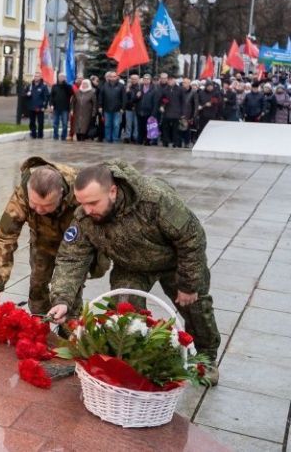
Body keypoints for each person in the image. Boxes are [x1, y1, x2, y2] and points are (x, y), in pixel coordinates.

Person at [47, 162, 221, 385]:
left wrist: (189, 284)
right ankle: (135, 360)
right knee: (124, 311)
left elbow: (191, 238)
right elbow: (71, 259)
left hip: (175, 261)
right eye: (82, 203)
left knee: (197, 310)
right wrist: (62, 299)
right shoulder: (84, 218)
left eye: (93, 203)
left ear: (112, 191)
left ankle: (206, 359)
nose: (87, 210)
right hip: (131, 266)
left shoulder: (154, 200)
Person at [0, 158, 108, 317]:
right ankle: (39, 322)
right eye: (34, 205)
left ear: (61, 194)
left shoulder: (80, 193)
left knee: (70, 294)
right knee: (37, 287)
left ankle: (69, 326)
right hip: (42, 242)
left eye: (47, 205)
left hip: (75, 247)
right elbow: (4, 236)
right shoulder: (21, 194)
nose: (40, 210)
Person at [159, 77, 189, 148]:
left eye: (172, 80)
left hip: (177, 112)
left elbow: (183, 102)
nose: (170, 82)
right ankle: (165, 142)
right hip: (167, 112)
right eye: (169, 80)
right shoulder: (165, 89)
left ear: (175, 81)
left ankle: (176, 143)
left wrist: (183, 113)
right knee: (165, 128)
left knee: (176, 129)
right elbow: (162, 99)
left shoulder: (180, 89)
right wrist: (162, 105)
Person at [98, 72, 125, 143]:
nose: (112, 78)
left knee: (116, 125)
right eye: (111, 76)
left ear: (117, 77)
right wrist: (100, 106)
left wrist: (123, 108)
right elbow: (101, 97)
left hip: (117, 109)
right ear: (109, 77)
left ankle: (115, 139)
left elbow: (124, 98)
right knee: (107, 125)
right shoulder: (104, 85)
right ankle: (108, 139)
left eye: (114, 76)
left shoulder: (121, 86)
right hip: (106, 109)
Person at [135, 74, 159, 145]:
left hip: (149, 111)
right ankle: (140, 140)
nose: (146, 80)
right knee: (140, 127)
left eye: (147, 79)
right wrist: (137, 96)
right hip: (139, 111)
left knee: (148, 127)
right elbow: (134, 100)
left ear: (150, 80)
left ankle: (147, 140)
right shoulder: (139, 88)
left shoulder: (154, 90)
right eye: (144, 79)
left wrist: (153, 113)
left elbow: (155, 103)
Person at [25, 72, 50, 139]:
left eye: (38, 76)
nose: (36, 77)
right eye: (35, 76)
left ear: (40, 77)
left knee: (40, 122)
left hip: (40, 108)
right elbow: (24, 93)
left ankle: (40, 135)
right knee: (32, 122)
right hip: (31, 107)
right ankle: (33, 134)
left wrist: (44, 106)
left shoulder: (43, 86)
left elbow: (47, 97)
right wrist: (27, 94)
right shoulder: (30, 86)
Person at [50, 73, 72, 141]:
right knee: (55, 123)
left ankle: (63, 136)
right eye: (60, 77)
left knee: (65, 124)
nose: (61, 78)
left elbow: (71, 93)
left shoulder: (68, 86)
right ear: (58, 77)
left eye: (63, 77)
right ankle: (55, 136)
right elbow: (52, 96)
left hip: (65, 108)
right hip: (56, 107)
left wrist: (64, 83)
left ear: (65, 78)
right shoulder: (54, 86)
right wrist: (51, 105)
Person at [122, 74, 141, 143]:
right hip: (128, 108)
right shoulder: (127, 88)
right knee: (128, 124)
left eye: (135, 79)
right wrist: (127, 92)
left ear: (138, 79)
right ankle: (127, 137)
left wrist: (137, 97)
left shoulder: (140, 88)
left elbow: (139, 99)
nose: (134, 80)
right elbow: (125, 99)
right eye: (132, 79)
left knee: (136, 124)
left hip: (137, 108)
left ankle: (135, 137)